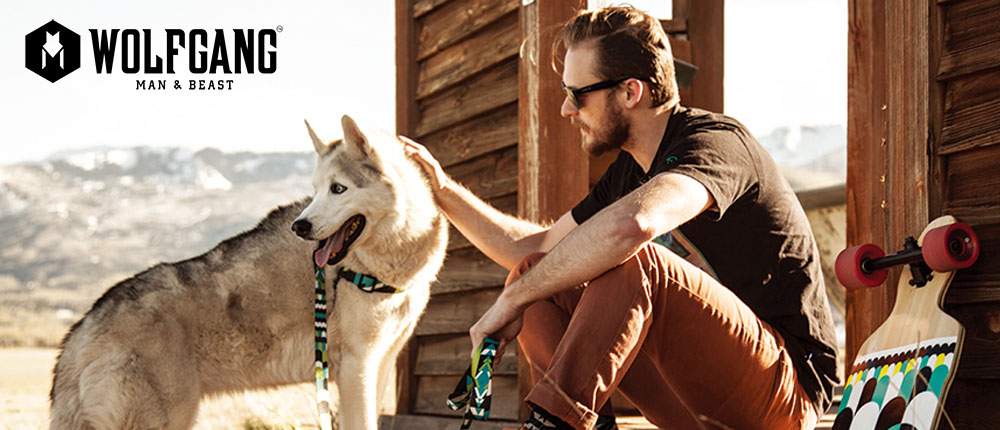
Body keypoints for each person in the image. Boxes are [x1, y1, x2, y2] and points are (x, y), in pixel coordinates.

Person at [401, 6, 839, 430]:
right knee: (535, 277)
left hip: (784, 396)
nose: (566, 110)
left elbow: (635, 227)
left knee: (634, 258)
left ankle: (551, 423)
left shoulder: (716, 143)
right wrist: (442, 190)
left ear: (631, 92)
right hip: (691, 403)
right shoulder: (628, 173)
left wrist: (509, 303)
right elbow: (531, 250)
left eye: (577, 94)